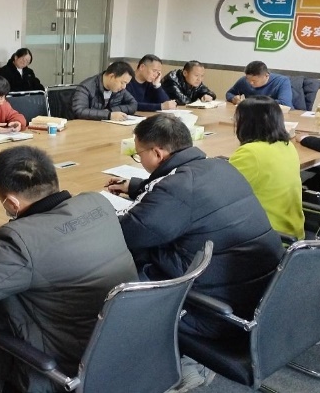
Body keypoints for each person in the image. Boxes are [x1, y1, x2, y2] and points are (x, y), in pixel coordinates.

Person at [0, 146, 137, 392]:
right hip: (120, 347)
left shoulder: (19, 244)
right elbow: (56, 234)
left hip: (64, 367)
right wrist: (17, 227)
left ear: (11, 202)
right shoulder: (97, 203)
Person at [107, 114, 283, 338]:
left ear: (157, 153)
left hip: (217, 313)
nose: (139, 159)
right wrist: (136, 187)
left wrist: (93, 213)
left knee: (116, 265)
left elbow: (127, 234)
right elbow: (183, 196)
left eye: (138, 154)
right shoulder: (221, 166)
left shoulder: (177, 187)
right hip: (263, 296)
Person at [229, 96, 304, 239]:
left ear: (247, 123)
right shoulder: (288, 146)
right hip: (292, 232)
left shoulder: (250, 153)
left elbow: (221, 194)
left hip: (265, 237)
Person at [71, 61, 138, 121]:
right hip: (87, 126)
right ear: (111, 76)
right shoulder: (86, 87)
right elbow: (79, 111)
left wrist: (111, 111)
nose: (124, 87)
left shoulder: (120, 90)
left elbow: (133, 104)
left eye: (126, 84)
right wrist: (109, 115)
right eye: (122, 82)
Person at [226, 61, 293, 108]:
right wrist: (233, 99)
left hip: (273, 116)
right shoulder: (244, 81)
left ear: (266, 75)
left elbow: (285, 104)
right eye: (248, 79)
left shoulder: (282, 81)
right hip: (250, 115)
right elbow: (229, 93)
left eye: (254, 81)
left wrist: (253, 103)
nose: (250, 83)